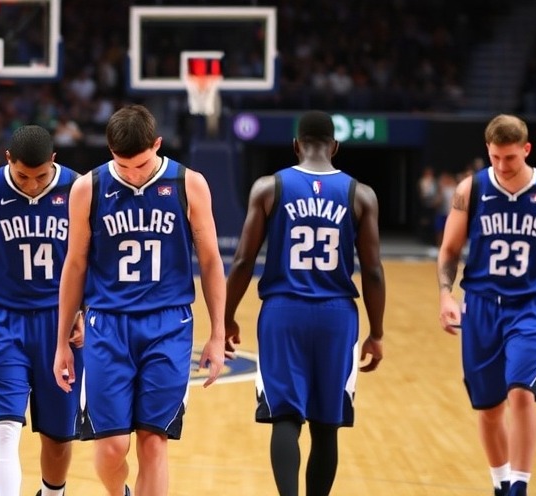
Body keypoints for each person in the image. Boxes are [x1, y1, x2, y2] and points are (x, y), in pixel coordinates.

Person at [52, 104, 226, 496]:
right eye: (123, 165)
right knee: (112, 447)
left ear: (158, 145)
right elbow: (74, 265)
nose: (133, 174)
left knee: (153, 441)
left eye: (142, 165)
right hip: (107, 324)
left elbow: (212, 260)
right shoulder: (88, 188)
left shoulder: (188, 183)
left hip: (168, 324)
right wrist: (62, 341)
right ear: (109, 150)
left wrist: (217, 333)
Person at [224, 110, 386, 496]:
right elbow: (374, 271)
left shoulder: (269, 187)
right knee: (326, 423)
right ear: (335, 146)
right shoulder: (360, 194)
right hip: (337, 316)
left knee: (285, 415)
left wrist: (226, 318)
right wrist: (376, 332)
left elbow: (244, 260)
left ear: (296, 145)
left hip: (282, 312)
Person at [437, 114, 536, 496]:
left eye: (510, 157)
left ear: (526, 149)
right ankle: (500, 483)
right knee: (489, 410)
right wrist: (445, 294)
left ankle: (519, 488)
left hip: (531, 306)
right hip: (482, 306)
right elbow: (450, 250)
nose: (502, 166)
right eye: (495, 158)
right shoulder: (470, 189)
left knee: (521, 392)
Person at [0, 125, 84, 496]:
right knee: (4, 426)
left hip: (59, 324)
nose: (32, 184)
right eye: (23, 175)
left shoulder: (78, 189)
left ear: (54, 162)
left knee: (58, 435)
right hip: (3, 320)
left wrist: (84, 311)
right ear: (8, 160)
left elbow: (93, 258)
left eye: (40, 176)